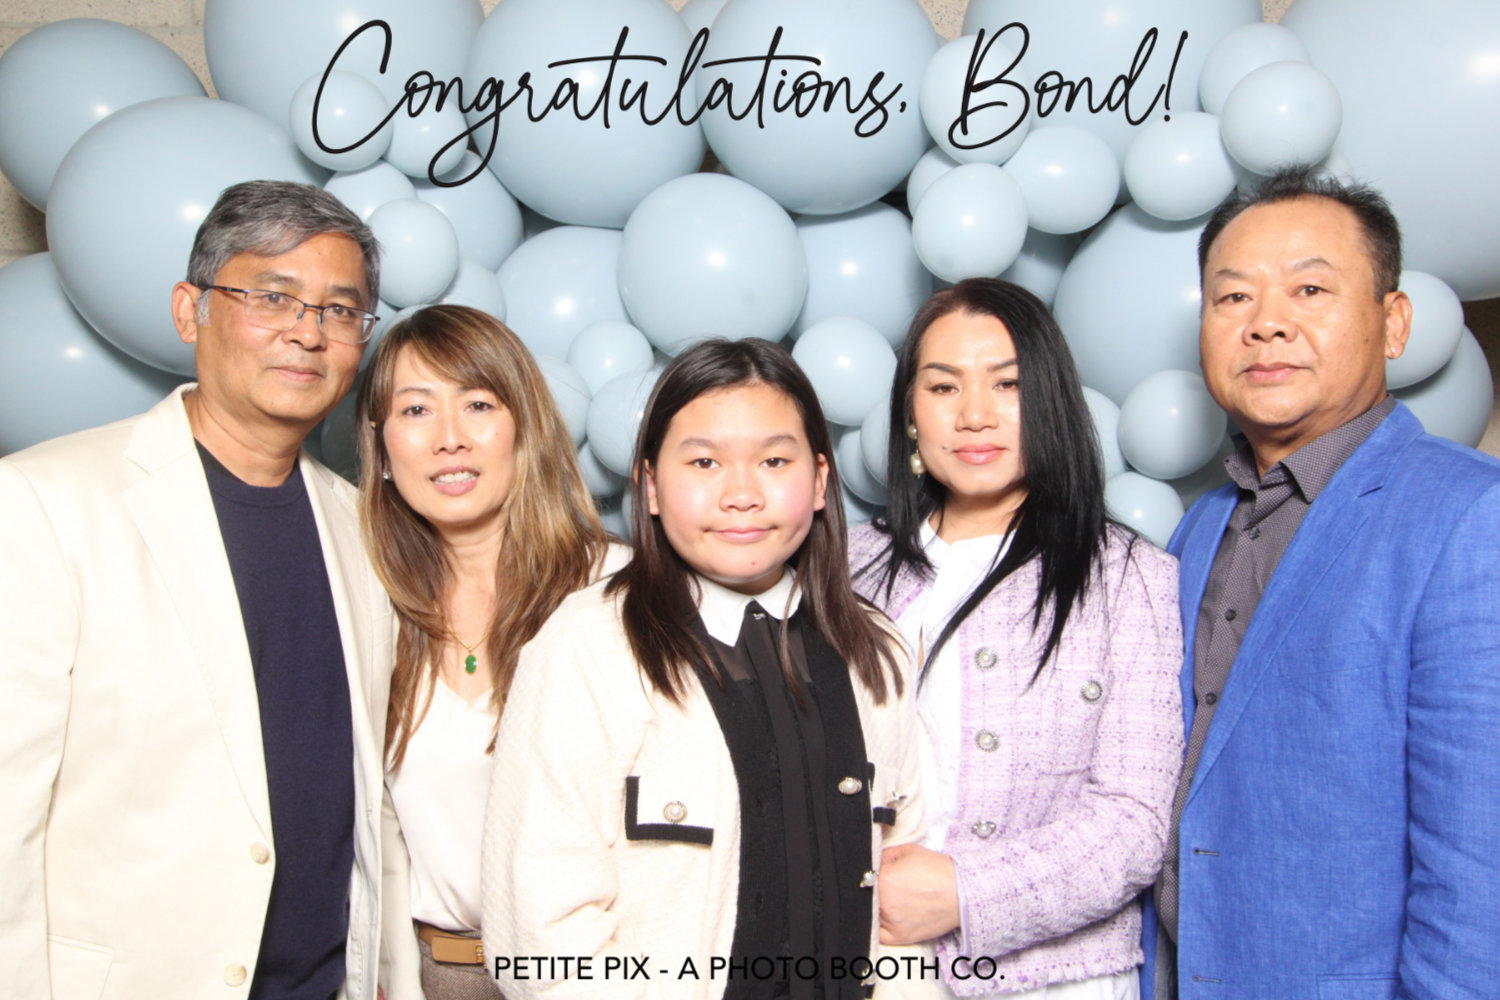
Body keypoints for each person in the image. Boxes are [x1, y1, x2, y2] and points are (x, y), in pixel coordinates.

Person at [0, 180, 394, 999]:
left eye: (340, 309)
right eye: (272, 297)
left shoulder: (364, 532)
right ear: (191, 311)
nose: (307, 332)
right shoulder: (45, 503)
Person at [1143, 167, 1500, 999]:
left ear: (1393, 323)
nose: (1266, 323)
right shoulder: (1198, 528)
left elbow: (1481, 863)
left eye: (1309, 290)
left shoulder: (1469, 517)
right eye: (1233, 297)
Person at [480, 338, 925, 1000]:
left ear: (820, 481)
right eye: (704, 462)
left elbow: (903, 903)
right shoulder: (585, 648)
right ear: (651, 486)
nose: (741, 494)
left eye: (774, 460)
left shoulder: (877, 650)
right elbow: (542, 941)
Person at [849, 278, 1185, 999]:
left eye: (1008, 384)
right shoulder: (847, 566)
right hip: (869, 970)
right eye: (944, 387)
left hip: (1059, 983)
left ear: (1052, 401)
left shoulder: (1130, 578)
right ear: (910, 414)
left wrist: (964, 893)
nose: (975, 415)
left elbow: (1135, 821)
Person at [356, 305, 622, 1000]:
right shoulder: (368, 607)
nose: (449, 438)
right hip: (429, 977)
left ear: (524, 427)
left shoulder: (618, 595)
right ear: (381, 449)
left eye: (478, 404)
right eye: (416, 409)